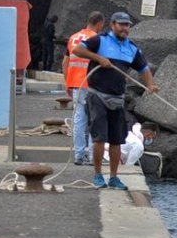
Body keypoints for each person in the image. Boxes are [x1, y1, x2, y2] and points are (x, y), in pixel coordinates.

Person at [72, 11, 159, 191]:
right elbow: (77, 49)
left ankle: (113, 177)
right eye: (121, 24)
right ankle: (97, 175)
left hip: (117, 98)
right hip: (97, 95)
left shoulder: (132, 49)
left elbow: (143, 68)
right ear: (112, 25)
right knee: (99, 138)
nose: (124, 28)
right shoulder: (100, 40)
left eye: (127, 25)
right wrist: (99, 58)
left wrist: (150, 85)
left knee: (116, 140)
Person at [62, 12, 105, 166]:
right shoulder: (98, 40)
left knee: (79, 119)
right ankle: (94, 157)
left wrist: (67, 83)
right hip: (92, 84)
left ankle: (79, 155)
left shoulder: (73, 38)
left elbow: (65, 63)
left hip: (75, 84)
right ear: (99, 23)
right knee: (95, 119)